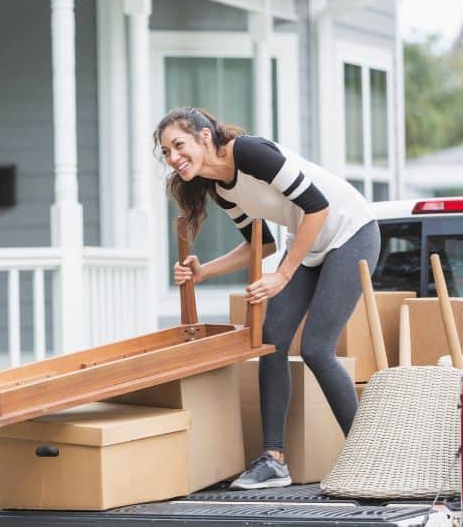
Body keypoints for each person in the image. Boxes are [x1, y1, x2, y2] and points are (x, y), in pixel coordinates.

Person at [154, 107, 380, 490]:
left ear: (204, 137)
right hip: (309, 248)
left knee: (316, 348)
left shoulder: (250, 153)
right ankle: (273, 460)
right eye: (167, 153)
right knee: (270, 339)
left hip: (351, 232)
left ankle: (368, 457)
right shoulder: (223, 189)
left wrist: (283, 274)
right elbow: (263, 245)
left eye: (179, 145)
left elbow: (317, 206)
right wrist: (203, 271)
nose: (174, 158)